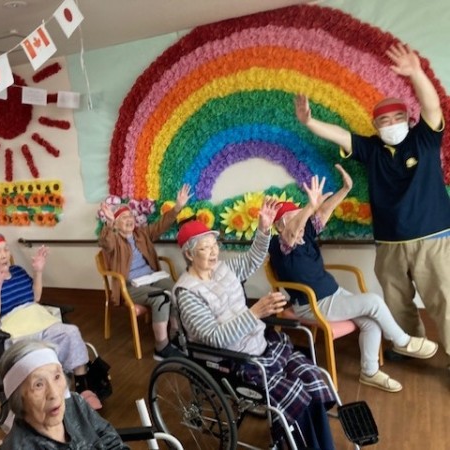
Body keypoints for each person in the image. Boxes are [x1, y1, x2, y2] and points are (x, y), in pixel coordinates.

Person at [295, 43, 450, 368]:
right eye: (384, 120)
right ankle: (408, 347)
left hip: (432, 238)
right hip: (389, 242)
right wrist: (309, 122)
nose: (391, 123)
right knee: (397, 301)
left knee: (445, 301)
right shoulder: (372, 149)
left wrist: (416, 72)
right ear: (376, 125)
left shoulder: (423, 139)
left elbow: (432, 107)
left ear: (408, 119)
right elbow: (340, 136)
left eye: (397, 117)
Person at [173, 201, 337, 450]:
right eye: (205, 248)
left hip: (259, 345)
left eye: (215, 245)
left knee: (313, 377)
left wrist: (263, 230)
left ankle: (321, 442)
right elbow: (215, 338)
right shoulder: (187, 292)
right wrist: (255, 313)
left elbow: (252, 260)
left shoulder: (223, 268)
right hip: (232, 361)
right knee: (297, 396)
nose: (214, 252)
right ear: (189, 254)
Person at [268, 167, 438, 392]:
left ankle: (369, 372)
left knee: (371, 322)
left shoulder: (305, 234)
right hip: (312, 304)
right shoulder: (280, 245)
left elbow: (323, 213)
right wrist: (309, 206)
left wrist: (345, 189)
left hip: (333, 295)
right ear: (279, 226)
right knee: (373, 302)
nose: (301, 222)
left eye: (300, 215)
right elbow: (291, 233)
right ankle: (402, 341)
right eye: (293, 218)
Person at [0, 232, 102, 409]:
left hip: (38, 319)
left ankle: (83, 388)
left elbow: (36, 297)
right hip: (13, 331)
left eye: (6, 249)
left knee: (71, 332)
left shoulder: (18, 271)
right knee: (41, 353)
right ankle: (54, 396)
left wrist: (38, 271)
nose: (3, 255)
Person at [98, 185, 191, 360]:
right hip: (130, 285)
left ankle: (174, 334)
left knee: (177, 291)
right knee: (161, 298)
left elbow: (161, 225)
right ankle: (161, 347)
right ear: (116, 223)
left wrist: (178, 207)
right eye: (124, 217)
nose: (129, 219)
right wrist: (109, 224)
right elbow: (105, 243)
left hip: (151, 277)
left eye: (130, 216)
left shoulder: (141, 234)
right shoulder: (113, 240)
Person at [0, 340, 129, 450]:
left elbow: (109, 438)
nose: (54, 394)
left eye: (57, 377)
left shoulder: (75, 403)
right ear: (18, 399)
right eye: (38, 385)